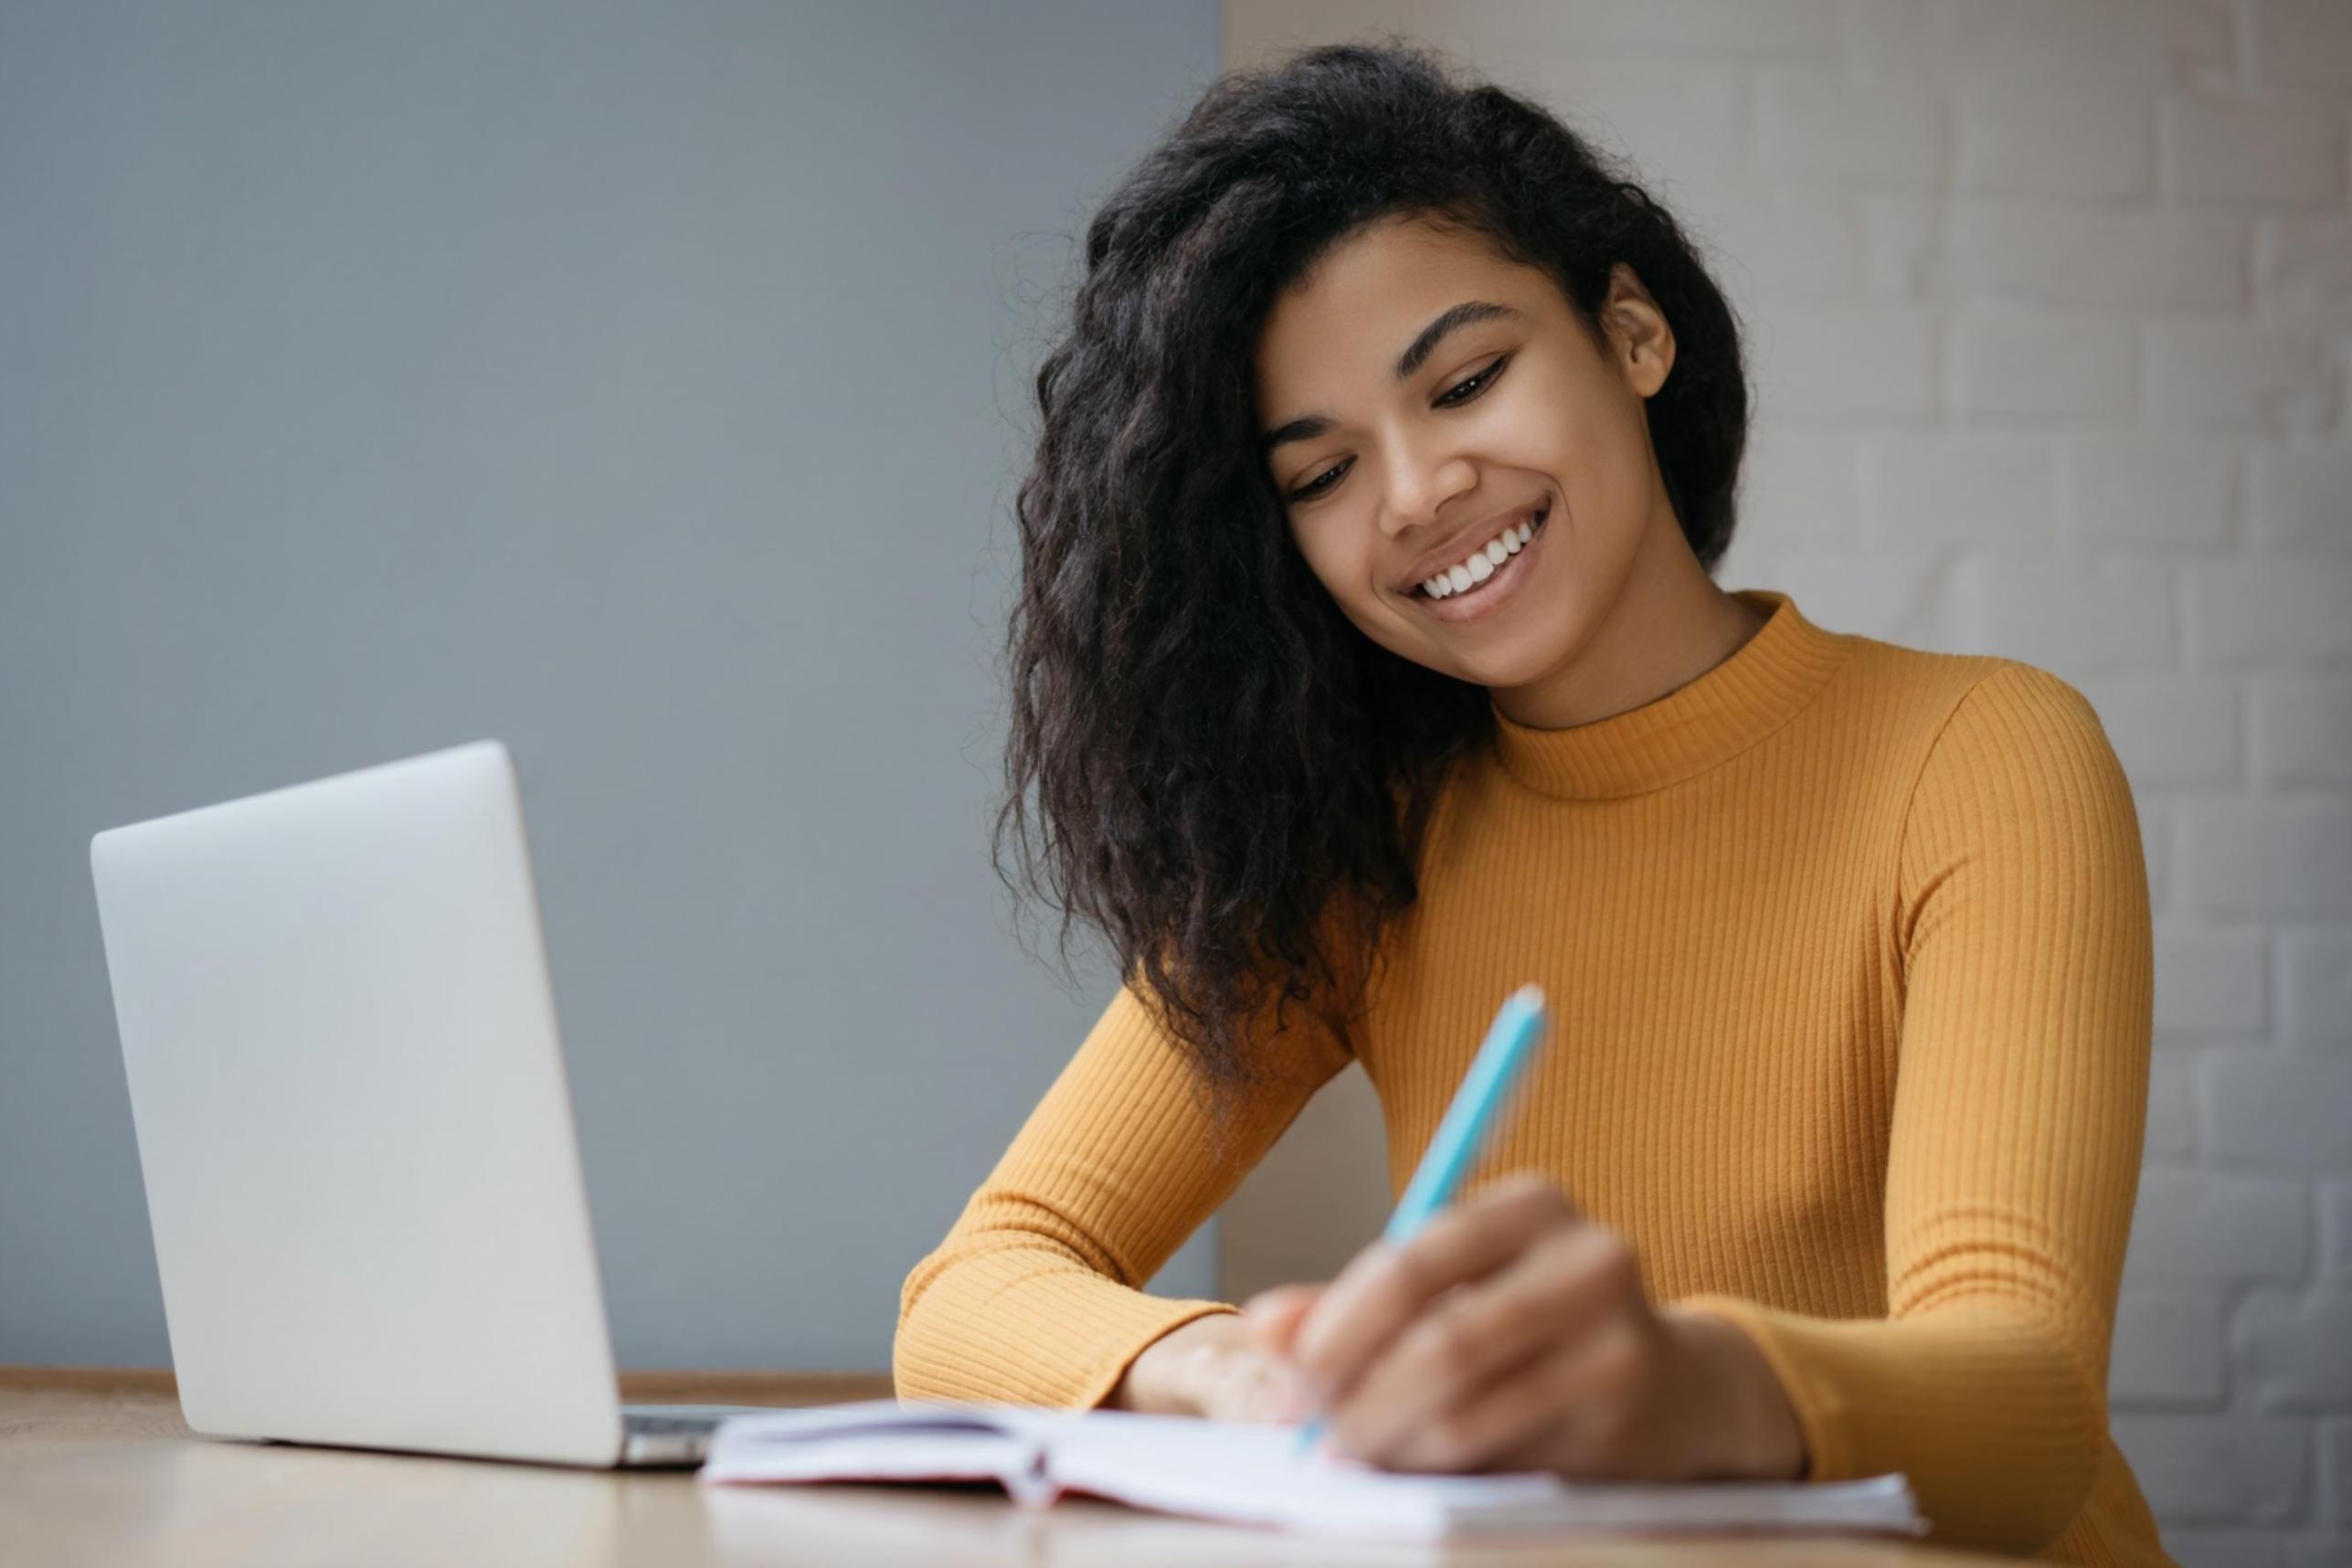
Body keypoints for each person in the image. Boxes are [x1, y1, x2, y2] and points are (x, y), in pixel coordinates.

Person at [895, 38, 2175, 1568]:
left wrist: (1680, 1382)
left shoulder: (1978, 754)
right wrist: (1239, 1371)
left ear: (1629, 334)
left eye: (1466, 380)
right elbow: (968, 1295)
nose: (1415, 493)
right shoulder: (1366, 842)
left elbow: (2028, 1412)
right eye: (1318, 474)